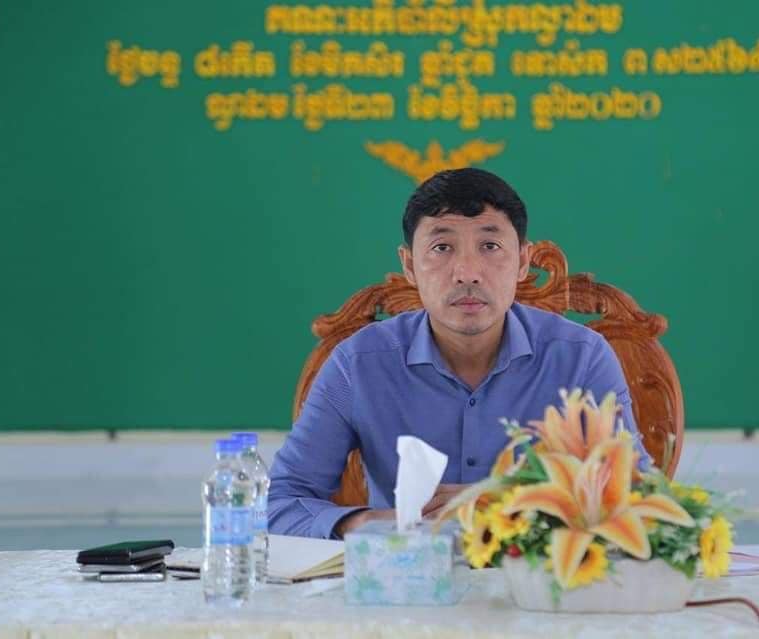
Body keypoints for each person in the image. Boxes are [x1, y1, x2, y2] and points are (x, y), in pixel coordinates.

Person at [268, 168, 649, 539]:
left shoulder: (582, 359)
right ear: (409, 266)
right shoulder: (357, 364)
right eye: (442, 247)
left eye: (490, 246)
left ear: (522, 261)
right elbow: (280, 503)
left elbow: (638, 495)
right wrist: (371, 524)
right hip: (407, 574)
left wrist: (505, 504)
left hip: (537, 576)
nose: (467, 272)